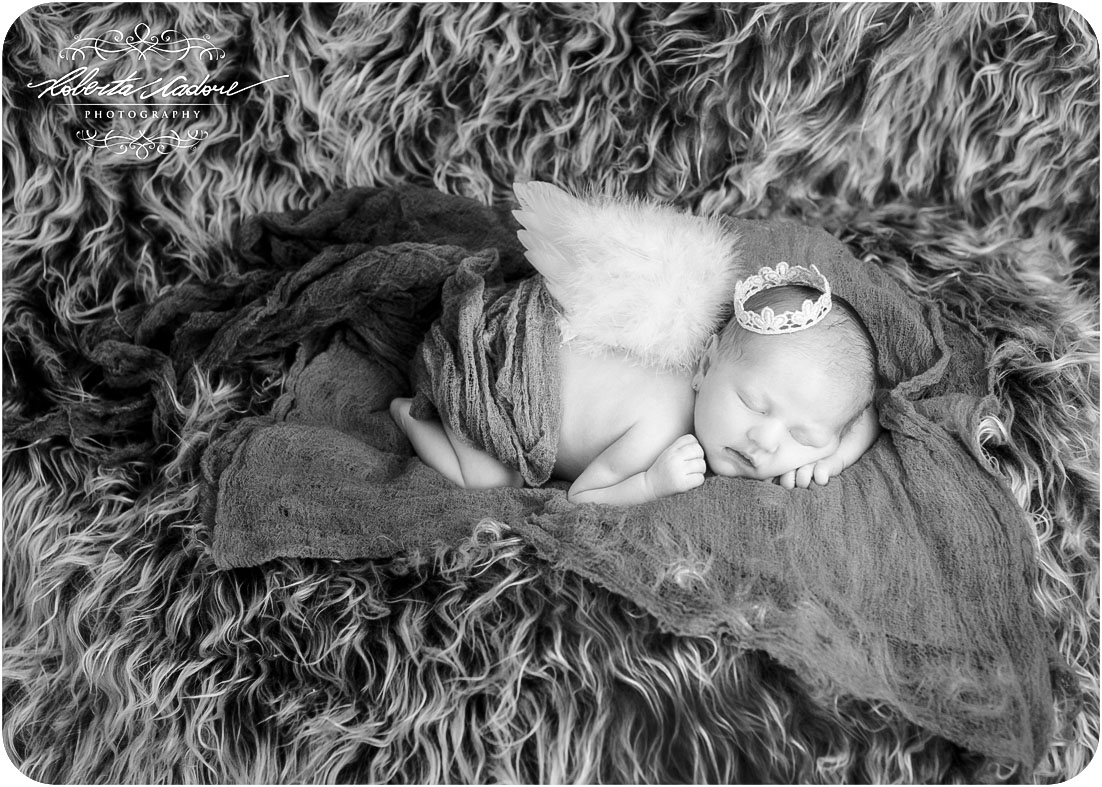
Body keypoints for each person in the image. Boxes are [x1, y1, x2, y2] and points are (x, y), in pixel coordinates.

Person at [390, 257, 881, 506]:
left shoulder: (766, 393)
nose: (766, 441)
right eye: (752, 403)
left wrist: (831, 457)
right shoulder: (659, 432)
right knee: (495, 481)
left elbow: (864, 416)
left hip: (547, 346)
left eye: (803, 437)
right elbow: (583, 497)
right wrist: (650, 484)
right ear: (705, 366)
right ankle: (411, 415)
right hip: (490, 372)